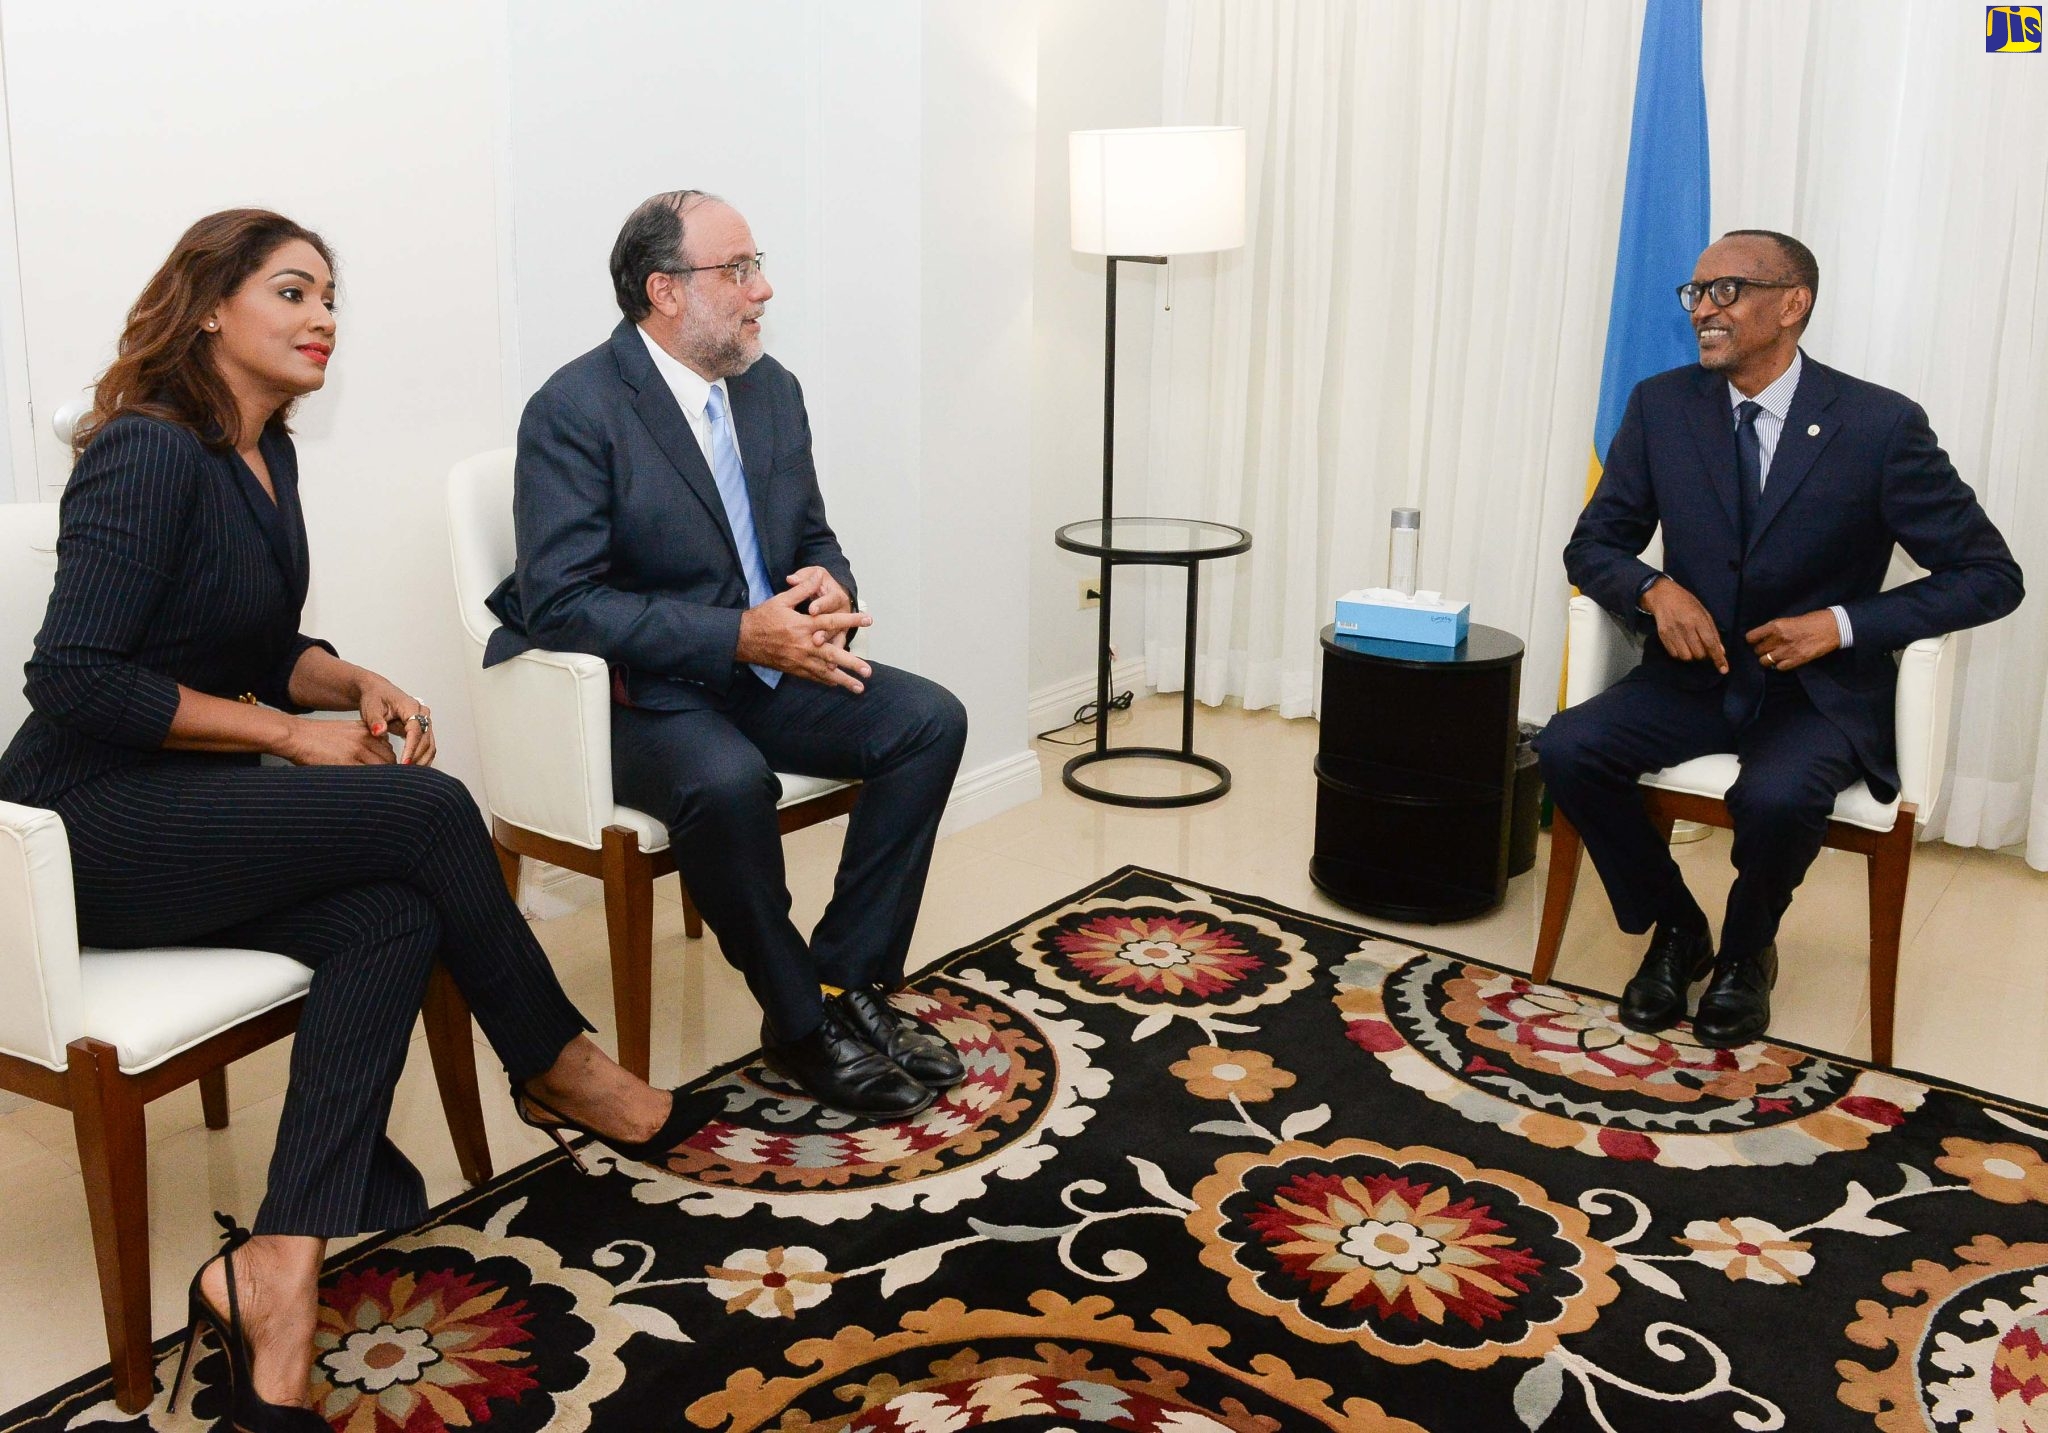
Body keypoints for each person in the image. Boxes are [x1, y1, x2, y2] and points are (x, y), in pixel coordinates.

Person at [0, 210, 701, 1424]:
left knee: (386, 915)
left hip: (180, 801)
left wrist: (351, 681)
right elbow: (73, 679)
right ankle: (559, 1061)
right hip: (79, 825)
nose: (325, 317)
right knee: (426, 807)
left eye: (332, 297)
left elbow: (261, 648)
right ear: (209, 306)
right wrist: (285, 732)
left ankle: (280, 1260)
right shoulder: (147, 450)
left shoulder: (265, 454)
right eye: (293, 292)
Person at [485, 191, 969, 1120]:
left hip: (766, 662)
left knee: (927, 720)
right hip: (643, 691)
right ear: (665, 290)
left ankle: (848, 979)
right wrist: (737, 635)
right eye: (739, 270)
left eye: (757, 266)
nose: (763, 288)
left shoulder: (769, 388)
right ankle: (796, 1023)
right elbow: (563, 600)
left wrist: (829, 586)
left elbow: (813, 535)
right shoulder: (575, 408)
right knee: (728, 783)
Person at [1536, 229, 2022, 1049]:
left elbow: (1990, 574)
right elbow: (1594, 546)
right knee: (1568, 748)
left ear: (1792, 304)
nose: (1703, 311)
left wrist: (1841, 625)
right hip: (1692, 675)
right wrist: (1654, 588)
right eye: (1696, 294)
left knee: (1775, 796)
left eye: (1725, 290)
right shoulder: (1662, 405)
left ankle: (1745, 952)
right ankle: (1677, 927)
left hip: (1815, 693)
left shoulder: (1878, 425)